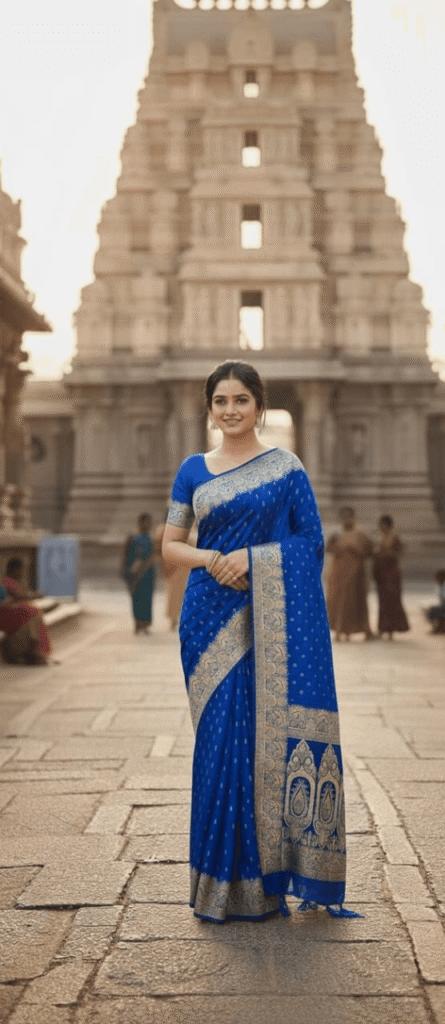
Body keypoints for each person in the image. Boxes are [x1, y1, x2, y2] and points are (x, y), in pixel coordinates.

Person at [162, 360, 359, 924]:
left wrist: (252, 559)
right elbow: (172, 546)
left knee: (266, 742)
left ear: (259, 406)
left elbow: (310, 541)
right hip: (208, 620)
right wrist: (213, 560)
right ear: (209, 407)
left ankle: (265, 882)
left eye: (241, 400)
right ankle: (219, 884)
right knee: (220, 743)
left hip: (271, 615)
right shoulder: (193, 471)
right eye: (220, 400)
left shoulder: (286, 467)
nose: (230, 410)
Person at [326, 507, 374, 642]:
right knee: (338, 601)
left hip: (355, 574)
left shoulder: (361, 533)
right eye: (344, 517)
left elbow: (369, 551)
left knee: (353, 602)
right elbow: (329, 548)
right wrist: (342, 549)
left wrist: (356, 549)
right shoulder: (336, 534)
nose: (346, 520)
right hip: (339, 574)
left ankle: (357, 630)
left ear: (353, 517)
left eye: (349, 517)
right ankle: (339, 631)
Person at [0, 558, 52, 665]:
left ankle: (37, 652)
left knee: (35, 617)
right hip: (7, 616)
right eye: (23, 569)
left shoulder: (14, 583)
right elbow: (18, 597)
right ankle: (37, 652)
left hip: (14, 616)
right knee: (34, 615)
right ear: (16, 570)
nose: (24, 573)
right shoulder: (7, 582)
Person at [372, 515, 409, 639]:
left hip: (391, 573)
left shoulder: (394, 537)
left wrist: (383, 553)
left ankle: (391, 630)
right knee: (382, 602)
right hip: (381, 574)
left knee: (392, 602)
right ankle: (382, 629)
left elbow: (397, 553)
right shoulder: (380, 538)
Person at [122, 513, 155, 634]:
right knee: (136, 599)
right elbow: (126, 556)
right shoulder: (133, 537)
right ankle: (137, 623)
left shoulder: (150, 538)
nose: (148, 525)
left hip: (148, 574)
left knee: (147, 600)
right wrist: (127, 571)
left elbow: (153, 554)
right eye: (146, 522)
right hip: (135, 575)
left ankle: (145, 624)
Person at [425, 569, 445, 634]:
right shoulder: (439, 586)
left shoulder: (442, 586)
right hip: (443, 606)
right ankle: (440, 627)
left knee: (432, 611)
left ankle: (439, 628)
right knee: (434, 610)